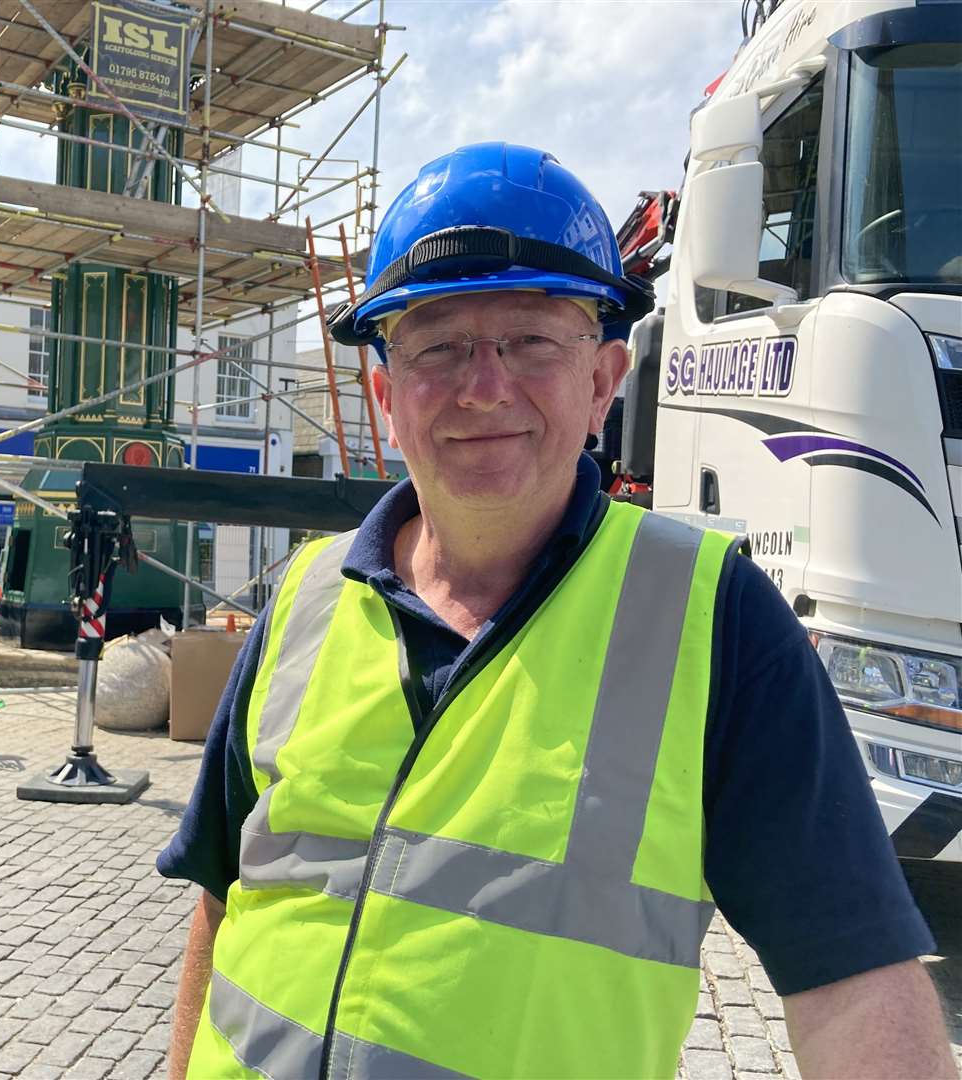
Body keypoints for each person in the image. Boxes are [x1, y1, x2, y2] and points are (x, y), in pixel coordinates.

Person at [158, 143, 953, 1078]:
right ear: (385, 393)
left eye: (532, 339)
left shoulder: (711, 622)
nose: (482, 385)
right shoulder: (306, 597)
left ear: (603, 382)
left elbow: (854, 982)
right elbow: (223, 900)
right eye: (438, 343)